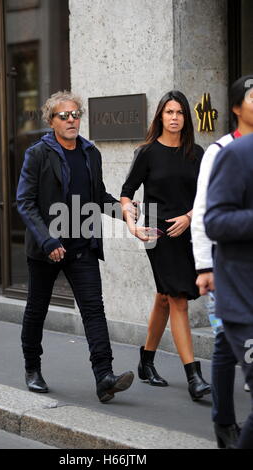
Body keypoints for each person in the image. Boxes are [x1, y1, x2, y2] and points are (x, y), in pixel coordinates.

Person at [16, 90, 134, 403]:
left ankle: (104, 377)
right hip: (46, 248)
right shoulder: (38, 154)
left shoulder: (90, 153)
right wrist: (48, 239)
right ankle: (32, 368)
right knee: (37, 310)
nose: (71, 120)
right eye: (63, 116)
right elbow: (25, 202)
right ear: (51, 121)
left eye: (75, 115)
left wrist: (131, 214)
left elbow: (99, 199)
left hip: (82, 245)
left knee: (94, 310)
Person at [120, 90, 211, 401]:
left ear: (186, 118)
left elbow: (206, 195)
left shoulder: (196, 153)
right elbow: (127, 192)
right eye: (169, 112)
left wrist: (188, 216)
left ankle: (146, 361)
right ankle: (194, 376)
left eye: (180, 113)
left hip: (188, 232)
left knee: (163, 298)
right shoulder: (147, 152)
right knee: (178, 300)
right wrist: (132, 224)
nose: (174, 118)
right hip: (158, 232)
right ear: (160, 116)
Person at [191, 75, 253, 448]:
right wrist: (204, 267)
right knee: (222, 340)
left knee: (226, 343)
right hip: (225, 267)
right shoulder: (222, 151)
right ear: (235, 107)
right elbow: (203, 214)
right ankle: (223, 422)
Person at [205, 132, 253, 449]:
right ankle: (223, 420)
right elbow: (211, 219)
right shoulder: (233, 153)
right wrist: (202, 268)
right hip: (244, 298)